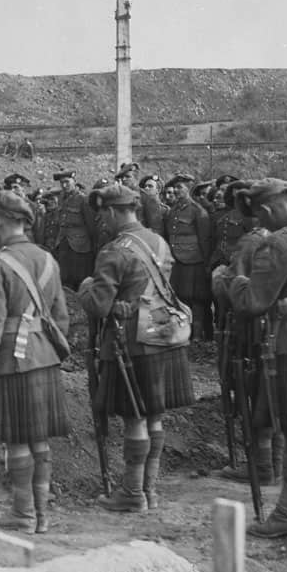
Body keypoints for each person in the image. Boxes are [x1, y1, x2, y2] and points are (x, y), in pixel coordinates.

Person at [214, 178, 287, 537]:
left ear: (265, 209)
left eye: (259, 216)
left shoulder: (279, 243)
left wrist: (233, 280)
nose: (259, 223)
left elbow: (252, 302)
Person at [78, 184, 194, 513]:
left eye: (103, 214)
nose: (102, 221)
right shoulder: (158, 241)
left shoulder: (114, 251)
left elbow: (99, 305)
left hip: (131, 341)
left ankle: (132, 493)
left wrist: (86, 287)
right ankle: (149, 490)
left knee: (135, 418)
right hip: (164, 334)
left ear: (113, 211)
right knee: (154, 417)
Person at [0, 191, 70, 534]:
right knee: (39, 438)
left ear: (0, 222)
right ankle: (41, 515)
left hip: (12, 361)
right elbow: (61, 317)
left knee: (16, 439)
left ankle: (23, 514)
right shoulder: (48, 259)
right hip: (45, 357)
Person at [165, 173, 213, 340]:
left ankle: (197, 336)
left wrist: (206, 264)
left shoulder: (198, 211)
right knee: (179, 297)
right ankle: (182, 333)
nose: (176, 190)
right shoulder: (173, 211)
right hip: (176, 261)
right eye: (175, 187)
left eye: (180, 187)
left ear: (189, 188)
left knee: (196, 299)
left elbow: (204, 240)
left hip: (194, 260)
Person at [53, 171, 96, 289]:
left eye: (67, 182)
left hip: (80, 247)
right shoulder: (61, 198)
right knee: (64, 279)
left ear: (75, 182)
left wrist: (93, 247)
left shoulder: (83, 199)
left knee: (79, 280)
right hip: (63, 243)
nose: (64, 185)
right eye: (61, 183)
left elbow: (91, 226)